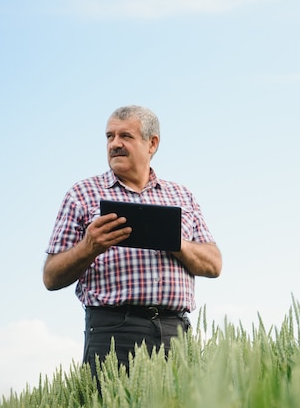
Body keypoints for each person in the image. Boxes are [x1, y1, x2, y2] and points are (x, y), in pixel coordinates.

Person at [43, 105, 222, 378]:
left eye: (125, 136)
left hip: (176, 332)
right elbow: (51, 277)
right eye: (109, 136)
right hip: (113, 332)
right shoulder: (81, 194)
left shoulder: (182, 196)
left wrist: (174, 241)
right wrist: (89, 247)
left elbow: (214, 264)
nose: (115, 144)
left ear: (152, 143)